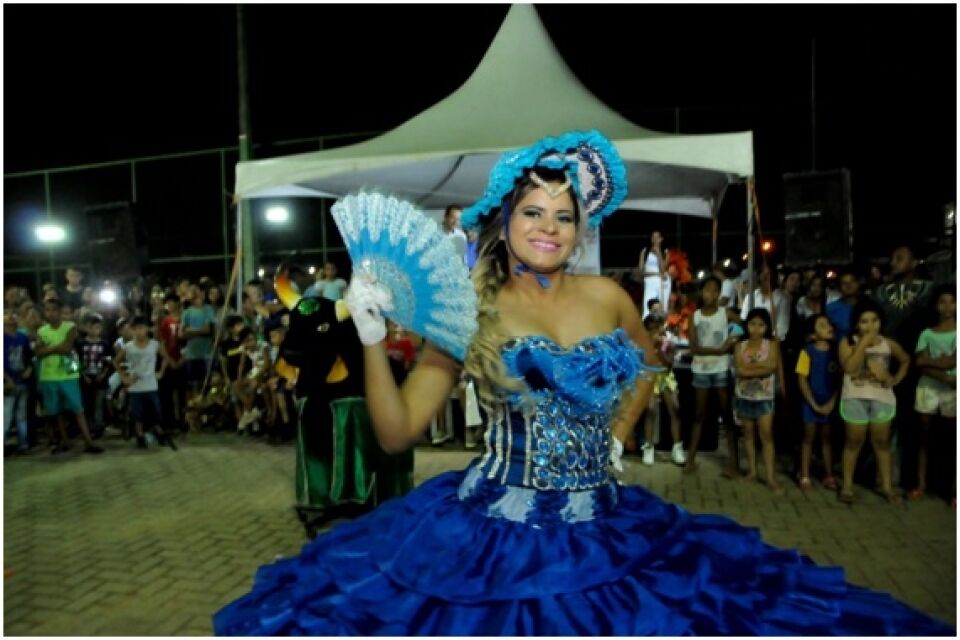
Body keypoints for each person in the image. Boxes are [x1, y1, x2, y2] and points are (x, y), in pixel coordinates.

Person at [213, 131, 952, 636]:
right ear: (503, 220)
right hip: (494, 535)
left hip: (607, 522)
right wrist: (372, 345)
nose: (549, 226)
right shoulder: (467, 310)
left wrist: (621, 436)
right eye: (533, 211)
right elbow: (398, 432)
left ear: (581, 225)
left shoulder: (608, 295)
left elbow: (649, 367)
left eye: (564, 215)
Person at [838, 299, 910, 504]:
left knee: (882, 443)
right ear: (856, 324)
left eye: (874, 320)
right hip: (854, 397)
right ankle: (847, 485)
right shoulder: (848, 342)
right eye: (864, 321)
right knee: (853, 442)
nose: (870, 326)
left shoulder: (888, 344)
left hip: (882, 398)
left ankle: (887, 487)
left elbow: (905, 359)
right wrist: (863, 344)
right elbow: (850, 368)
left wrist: (894, 379)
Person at [36, 299, 103, 454]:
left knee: (78, 408)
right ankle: (64, 441)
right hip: (48, 375)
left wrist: (48, 348)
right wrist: (55, 348)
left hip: (68, 373)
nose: (50, 313)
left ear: (59, 311)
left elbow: (66, 348)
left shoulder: (70, 327)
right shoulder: (41, 330)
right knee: (56, 410)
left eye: (54, 310)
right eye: (47, 310)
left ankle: (89, 442)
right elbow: (38, 353)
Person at [685, 276, 737, 475]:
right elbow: (694, 348)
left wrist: (733, 339)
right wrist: (721, 349)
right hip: (701, 370)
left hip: (721, 369)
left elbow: (744, 326)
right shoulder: (695, 316)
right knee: (699, 415)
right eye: (707, 290)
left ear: (719, 293)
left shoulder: (726, 314)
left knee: (726, 414)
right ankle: (690, 459)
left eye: (715, 290)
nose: (711, 294)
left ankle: (733, 463)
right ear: (701, 292)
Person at [910, 285, 956, 503]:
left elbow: (952, 360)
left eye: (952, 301)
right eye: (942, 302)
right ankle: (921, 484)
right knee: (924, 438)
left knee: (951, 440)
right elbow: (919, 362)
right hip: (934, 386)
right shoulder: (927, 332)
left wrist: (931, 361)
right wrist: (945, 375)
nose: (947, 307)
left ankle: (952, 490)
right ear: (936, 306)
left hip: (951, 390)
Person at [734, 308, 783, 493]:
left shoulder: (771, 344)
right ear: (747, 325)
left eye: (761, 325)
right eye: (752, 324)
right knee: (747, 434)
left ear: (767, 327)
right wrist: (759, 368)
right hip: (744, 395)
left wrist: (750, 368)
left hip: (765, 396)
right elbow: (739, 369)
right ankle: (753, 472)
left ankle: (770, 476)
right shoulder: (740, 345)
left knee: (766, 435)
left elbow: (771, 367)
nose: (756, 328)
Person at [115, 316, 176, 450]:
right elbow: (116, 361)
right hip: (135, 386)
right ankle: (140, 435)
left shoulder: (154, 345)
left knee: (155, 411)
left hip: (151, 384)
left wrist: (161, 371)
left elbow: (165, 357)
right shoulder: (128, 347)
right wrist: (124, 376)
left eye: (141, 328)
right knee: (137, 413)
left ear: (147, 329)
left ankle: (159, 433)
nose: (139, 332)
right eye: (135, 329)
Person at [795, 313, 841, 492]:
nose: (828, 326)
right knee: (808, 438)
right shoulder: (807, 351)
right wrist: (812, 403)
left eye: (828, 323)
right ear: (812, 335)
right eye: (822, 325)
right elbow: (802, 379)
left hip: (829, 400)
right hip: (810, 400)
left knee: (827, 438)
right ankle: (805, 474)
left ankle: (828, 474)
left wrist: (832, 402)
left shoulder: (837, 352)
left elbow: (839, 380)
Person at [641, 314, 685, 466]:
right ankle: (648, 447)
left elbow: (669, 365)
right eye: (651, 330)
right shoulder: (641, 345)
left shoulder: (668, 344)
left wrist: (659, 350)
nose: (655, 333)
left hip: (665, 377)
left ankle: (677, 447)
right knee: (651, 409)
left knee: (675, 408)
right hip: (650, 376)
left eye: (658, 329)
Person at [4, 311, 33, 453]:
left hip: (22, 380)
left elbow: (29, 356)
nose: (11, 319)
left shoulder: (23, 337)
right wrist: (6, 379)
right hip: (7, 382)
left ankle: (23, 444)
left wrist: (29, 369)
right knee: (6, 415)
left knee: (21, 415)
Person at [826, 268, 861, 339]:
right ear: (839, 287)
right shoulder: (830, 309)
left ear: (858, 284)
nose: (849, 285)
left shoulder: (869, 304)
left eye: (852, 281)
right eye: (844, 283)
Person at [638, 230, 667, 314]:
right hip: (649, 282)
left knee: (661, 307)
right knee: (648, 307)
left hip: (660, 283)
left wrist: (659, 254)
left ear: (661, 239)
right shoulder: (645, 251)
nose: (655, 239)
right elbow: (641, 271)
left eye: (657, 237)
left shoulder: (664, 252)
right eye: (653, 237)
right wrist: (655, 274)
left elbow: (663, 270)